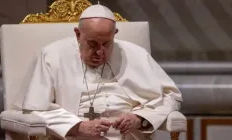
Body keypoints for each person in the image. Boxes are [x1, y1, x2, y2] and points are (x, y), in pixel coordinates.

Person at [14, 4, 182, 140]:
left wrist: (139, 119)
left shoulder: (136, 54)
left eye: (107, 44)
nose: (100, 52)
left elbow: (171, 96)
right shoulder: (51, 56)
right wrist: (78, 127)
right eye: (93, 44)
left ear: (114, 34)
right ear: (78, 34)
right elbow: (34, 109)